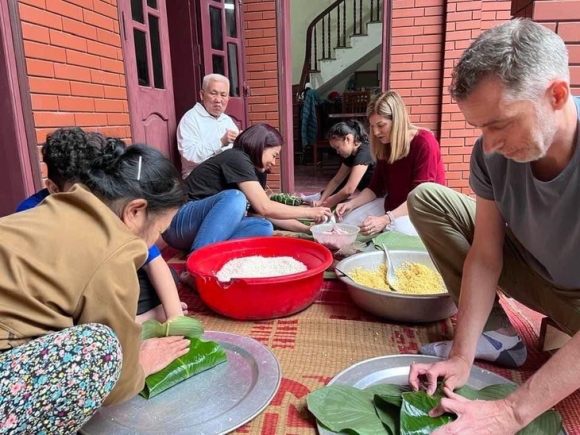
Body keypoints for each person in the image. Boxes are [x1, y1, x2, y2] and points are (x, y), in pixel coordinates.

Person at [406, 19, 580, 434]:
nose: (488, 145)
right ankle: (495, 335)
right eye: (479, 127)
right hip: (538, 273)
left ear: (557, 95)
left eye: (499, 124)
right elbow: (485, 255)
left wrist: (512, 411)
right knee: (428, 198)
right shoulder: (491, 155)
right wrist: (462, 356)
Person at [0, 142, 190, 432]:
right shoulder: (116, 250)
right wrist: (143, 362)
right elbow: (118, 385)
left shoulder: (57, 205)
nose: (156, 242)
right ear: (135, 211)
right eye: (160, 231)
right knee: (99, 348)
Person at [15, 128, 186, 324]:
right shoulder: (34, 213)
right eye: (79, 192)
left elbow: (153, 261)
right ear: (53, 188)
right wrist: (149, 319)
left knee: (166, 278)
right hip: (57, 294)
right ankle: (144, 317)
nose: (91, 199)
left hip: (93, 284)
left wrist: (175, 318)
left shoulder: (111, 210)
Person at [163, 123, 332, 254]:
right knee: (235, 198)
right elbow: (265, 206)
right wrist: (310, 213)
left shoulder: (257, 171)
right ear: (260, 146)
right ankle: (196, 263)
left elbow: (263, 212)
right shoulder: (236, 157)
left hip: (200, 229)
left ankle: (213, 252)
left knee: (263, 226)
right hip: (177, 222)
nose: (273, 162)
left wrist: (308, 229)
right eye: (274, 155)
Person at [335, 91, 445, 236]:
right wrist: (350, 204)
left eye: (381, 125)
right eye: (373, 126)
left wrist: (386, 219)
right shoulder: (384, 144)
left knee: (393, 230)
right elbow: (375, 187)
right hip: (392, 206)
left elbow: (421, 198)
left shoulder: (424, 142)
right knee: (346, 223)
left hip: (422, 211)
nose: (376, 132)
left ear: (398, 120)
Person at [177, 73, 240, 178]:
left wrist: (242, 141)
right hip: (198, 177)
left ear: (228, 98)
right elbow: (190, 155)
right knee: (237, 193)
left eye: (223, 95)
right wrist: (220, 142)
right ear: (202, 95)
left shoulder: (227, 120)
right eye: (213, 93)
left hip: (226, 174)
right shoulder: (190, 119)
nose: (218, 100)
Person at [305, 120, 374, 209]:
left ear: (348, 139)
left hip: (378, 197)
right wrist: (321, 200)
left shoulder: (365, 152)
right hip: (368, 196)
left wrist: (326, 207)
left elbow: (349, 190)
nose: (337, 152)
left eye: (338, 147)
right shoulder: (351, 154)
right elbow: (336, 180)